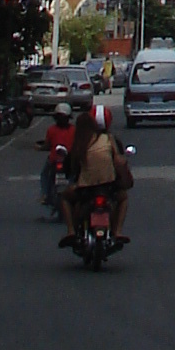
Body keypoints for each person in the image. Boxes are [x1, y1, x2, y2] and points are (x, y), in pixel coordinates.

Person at [61, 99, 133, 250]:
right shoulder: (110, 140)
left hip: (85, 189)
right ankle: (118, 231)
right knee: (123, 198)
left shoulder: (80, 141)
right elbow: (118, 161)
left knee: (65, 197)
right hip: (108, 187)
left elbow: (70, 167)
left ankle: (71, 231)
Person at [40, 98, 74, 218]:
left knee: (44, 175)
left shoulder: (52, 130)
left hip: (56, 160)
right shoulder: (73, 130)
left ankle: (44, 194)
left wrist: (40, 147)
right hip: (68, 161)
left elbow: (47, 145)